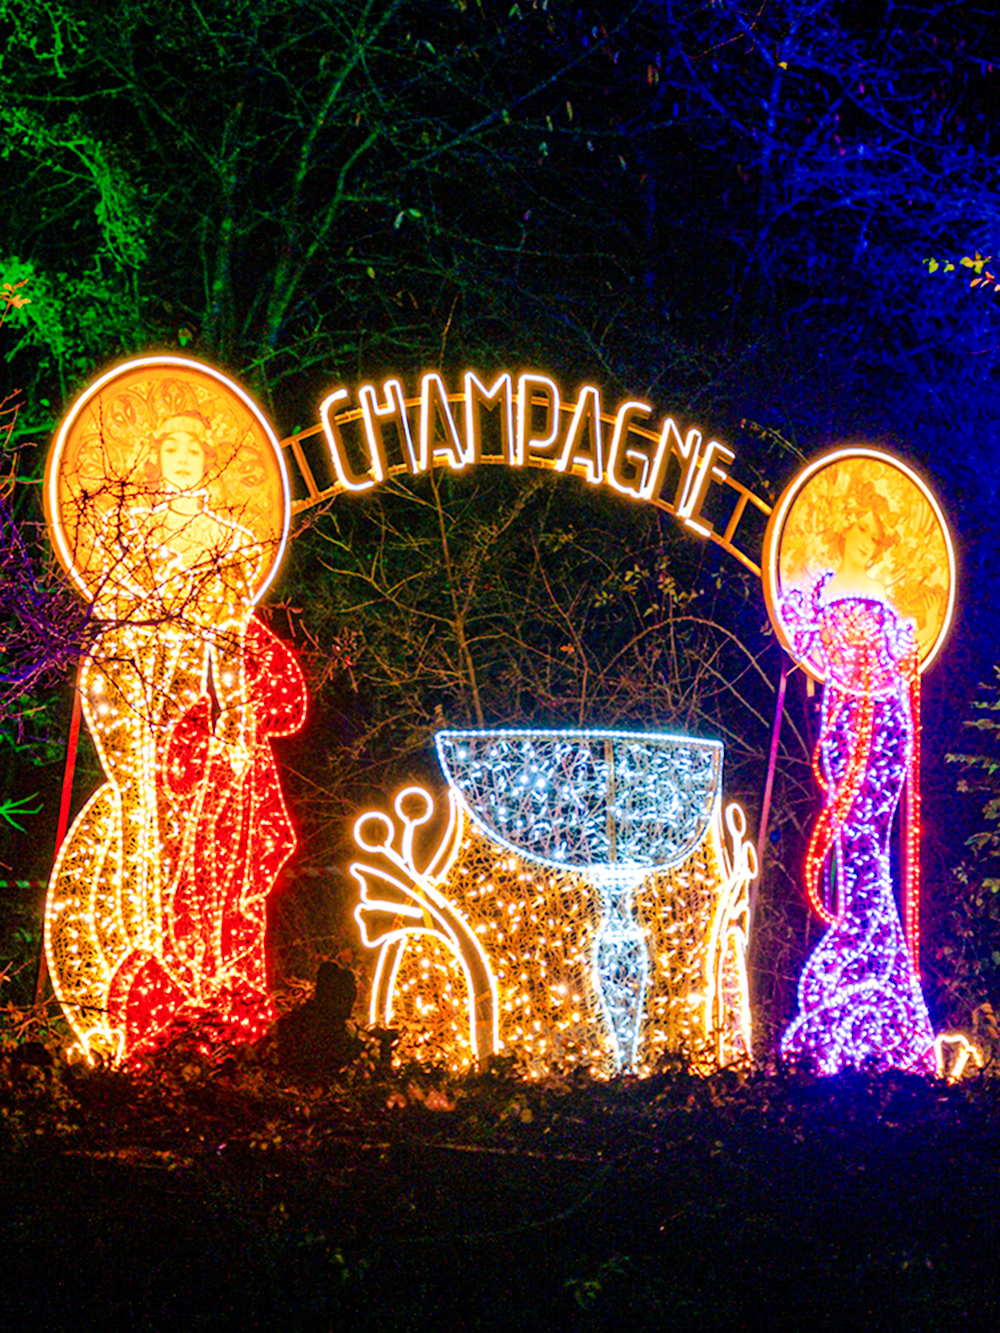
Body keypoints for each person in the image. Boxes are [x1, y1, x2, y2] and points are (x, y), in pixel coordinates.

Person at [46, 409, 306, 1061]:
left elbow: (231, 642)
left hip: (211, 733)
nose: (185, 455)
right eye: (172, 445)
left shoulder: (232, 540)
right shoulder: (125, 535)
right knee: (156, 862)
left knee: (225, 867)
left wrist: (238, 717)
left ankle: (220, 1004)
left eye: (197, 444)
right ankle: (165, 999)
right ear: (155, 457)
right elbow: (113, 633)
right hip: (151, 722)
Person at [779, 484, 935, 1075]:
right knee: (853, 840)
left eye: (880, 536)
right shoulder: (818, 595)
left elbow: (904, 660)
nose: (872, 545)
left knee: (868, 837)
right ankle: (870, 968)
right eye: (865, 531)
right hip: (846, 723)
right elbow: (810, 648)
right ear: (846, 528)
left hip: (888, 723)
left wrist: (896, 648)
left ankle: (872, 969)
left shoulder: (886, 599)